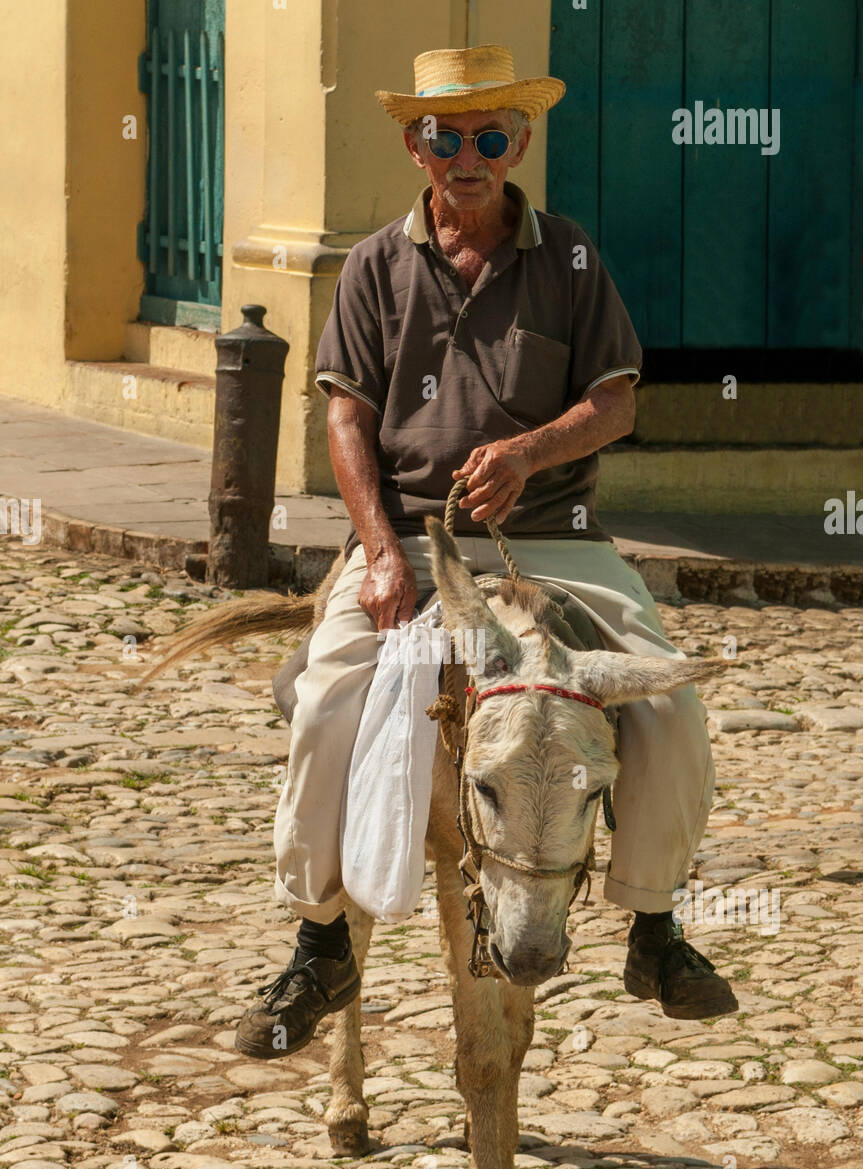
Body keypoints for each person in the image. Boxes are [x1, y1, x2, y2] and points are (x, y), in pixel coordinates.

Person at [234, 44, 737, 1061]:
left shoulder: (569, 258)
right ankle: (319, 940)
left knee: (669, 707)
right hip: (416, 542)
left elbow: (614, 400)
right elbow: (347, 420)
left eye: (490, 135)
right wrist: (377, 553)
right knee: (329, 702)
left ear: (521, 143)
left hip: (556, 541)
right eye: (445, 135)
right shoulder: (375, 264)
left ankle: (652, 926)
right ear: (414, 145)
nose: (468, 156)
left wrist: (528, 451)